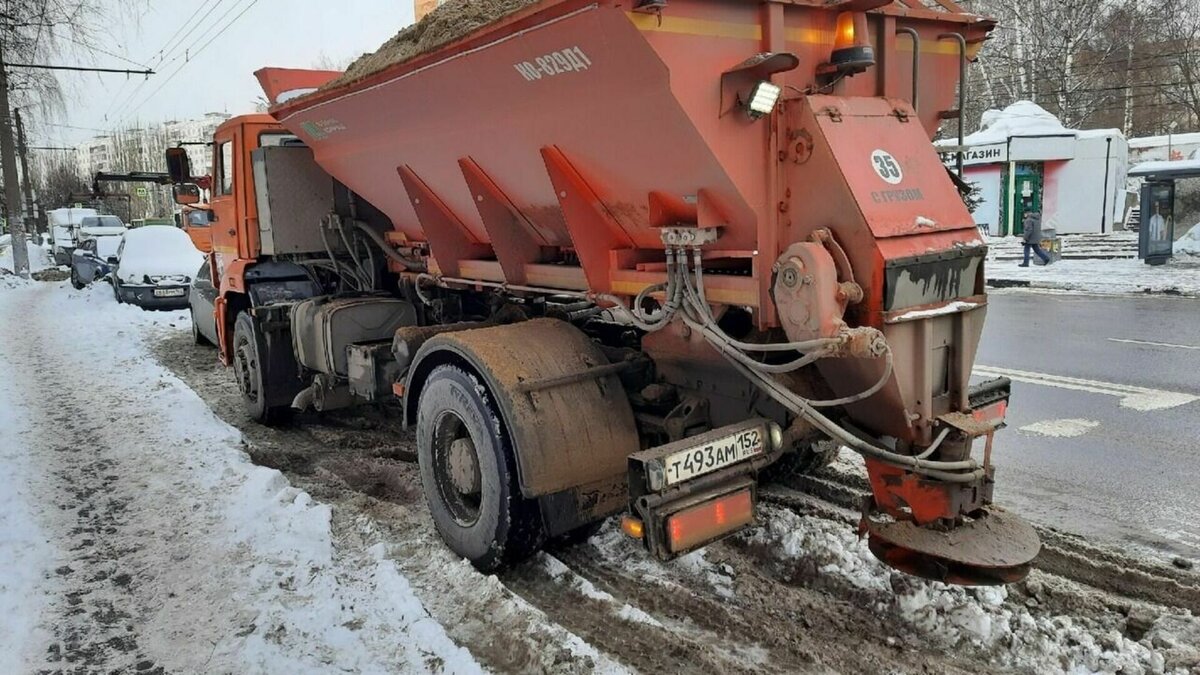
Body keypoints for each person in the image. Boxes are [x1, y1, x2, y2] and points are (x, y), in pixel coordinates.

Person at [1019, 201, 1050, 267]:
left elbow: (1028, 230)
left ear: (1027, 213)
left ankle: (1025, 263)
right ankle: (1046, 258)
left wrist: (1025, 238)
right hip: (1036, 237)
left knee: (1026, 250)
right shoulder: (1037, 218)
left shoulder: (1028, 220)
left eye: (1024, 213)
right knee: (1037, 249)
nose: (1024, 215)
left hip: (1030, 238)